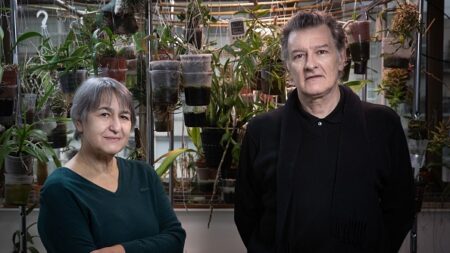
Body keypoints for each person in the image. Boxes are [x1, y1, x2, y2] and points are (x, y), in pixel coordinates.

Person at [235, 11, 414, 253]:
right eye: (299, 56)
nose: (310, 64)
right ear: (288, 66)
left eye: (321, 51)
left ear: (341, 58)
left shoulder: (382, 125)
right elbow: (246, 214)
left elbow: (400, 208)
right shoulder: (261, 131)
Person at [38, 77, 185, 253]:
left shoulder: (144, 174)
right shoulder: (60, 189)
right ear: (79, 121)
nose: (116, 127)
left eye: (124, 116)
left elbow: (175, 239)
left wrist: (119, 251)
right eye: (104, 114)